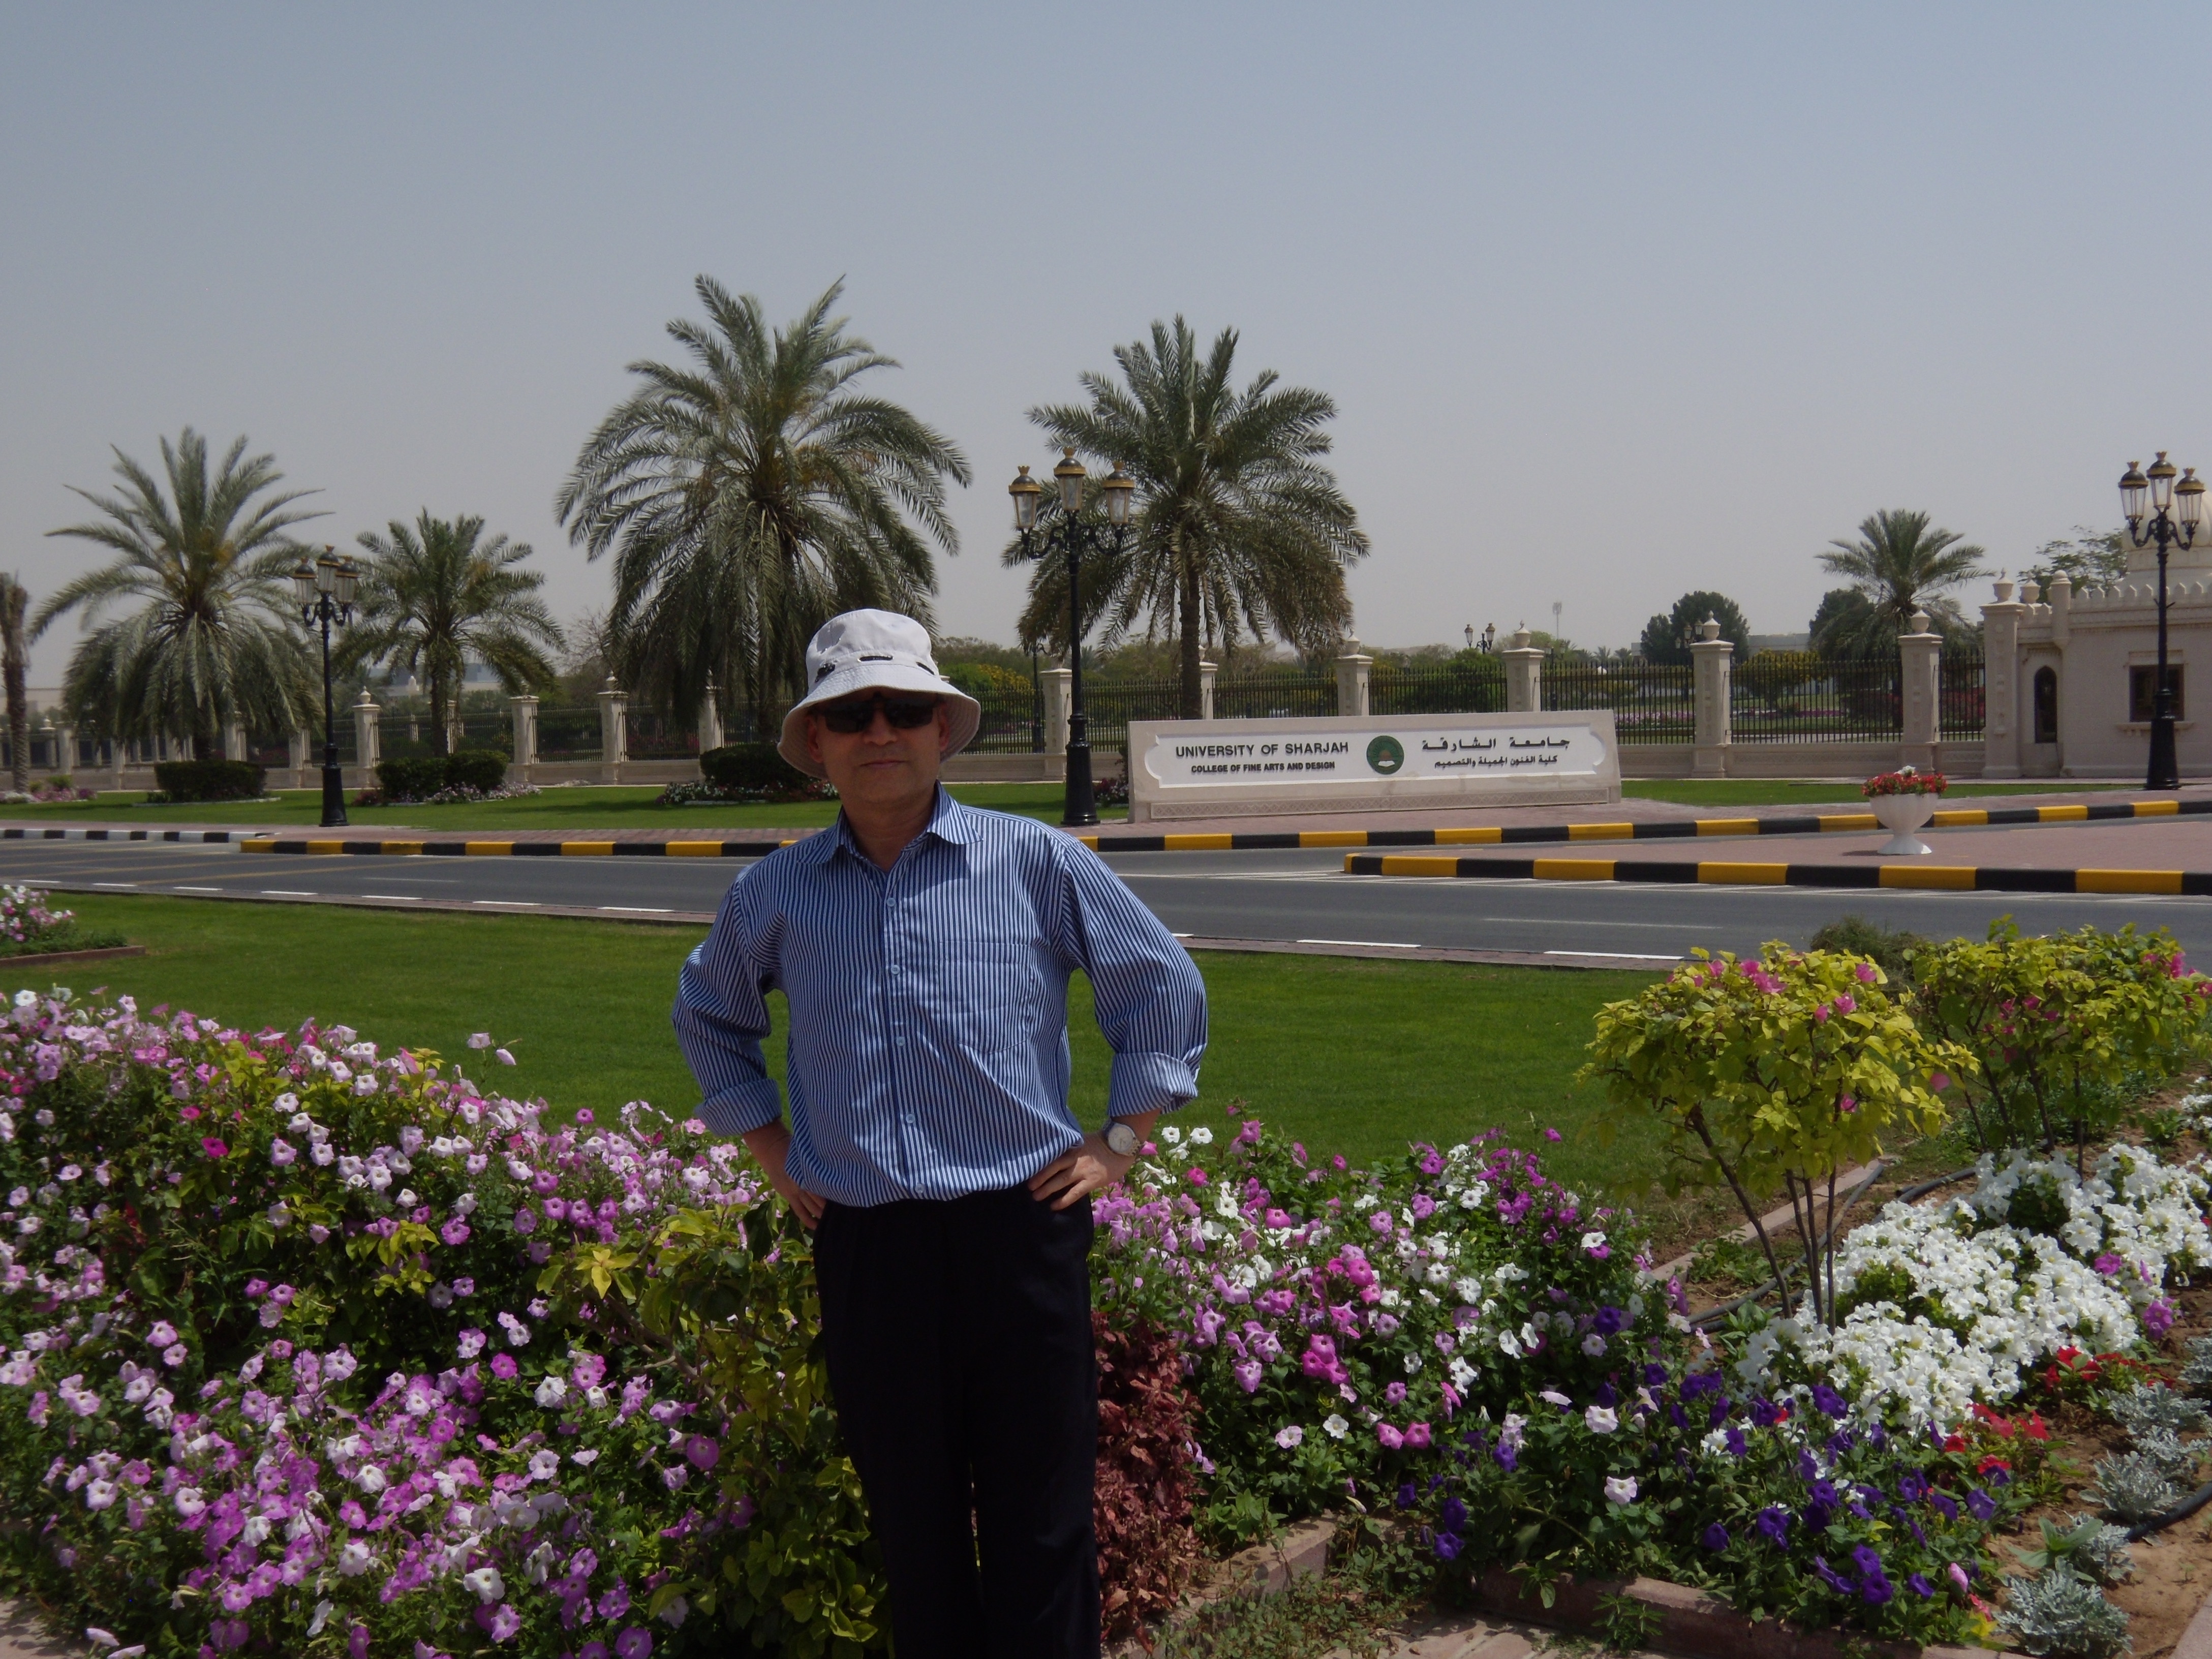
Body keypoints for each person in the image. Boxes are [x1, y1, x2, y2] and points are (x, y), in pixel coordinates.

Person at [673, 608, 1208, 1659]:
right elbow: (709, 1018)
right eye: (850, 713)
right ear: (817, 738)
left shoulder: (1034, 861)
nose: (879, 730)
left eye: (903, 709)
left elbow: (1161, 985)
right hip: (871, 1249)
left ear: (940, 730)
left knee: (1042, 1524)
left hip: (1021, 1233)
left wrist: (1120, 1142)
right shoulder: (774, 893)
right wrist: (776, 1156)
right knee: (913, 1530)